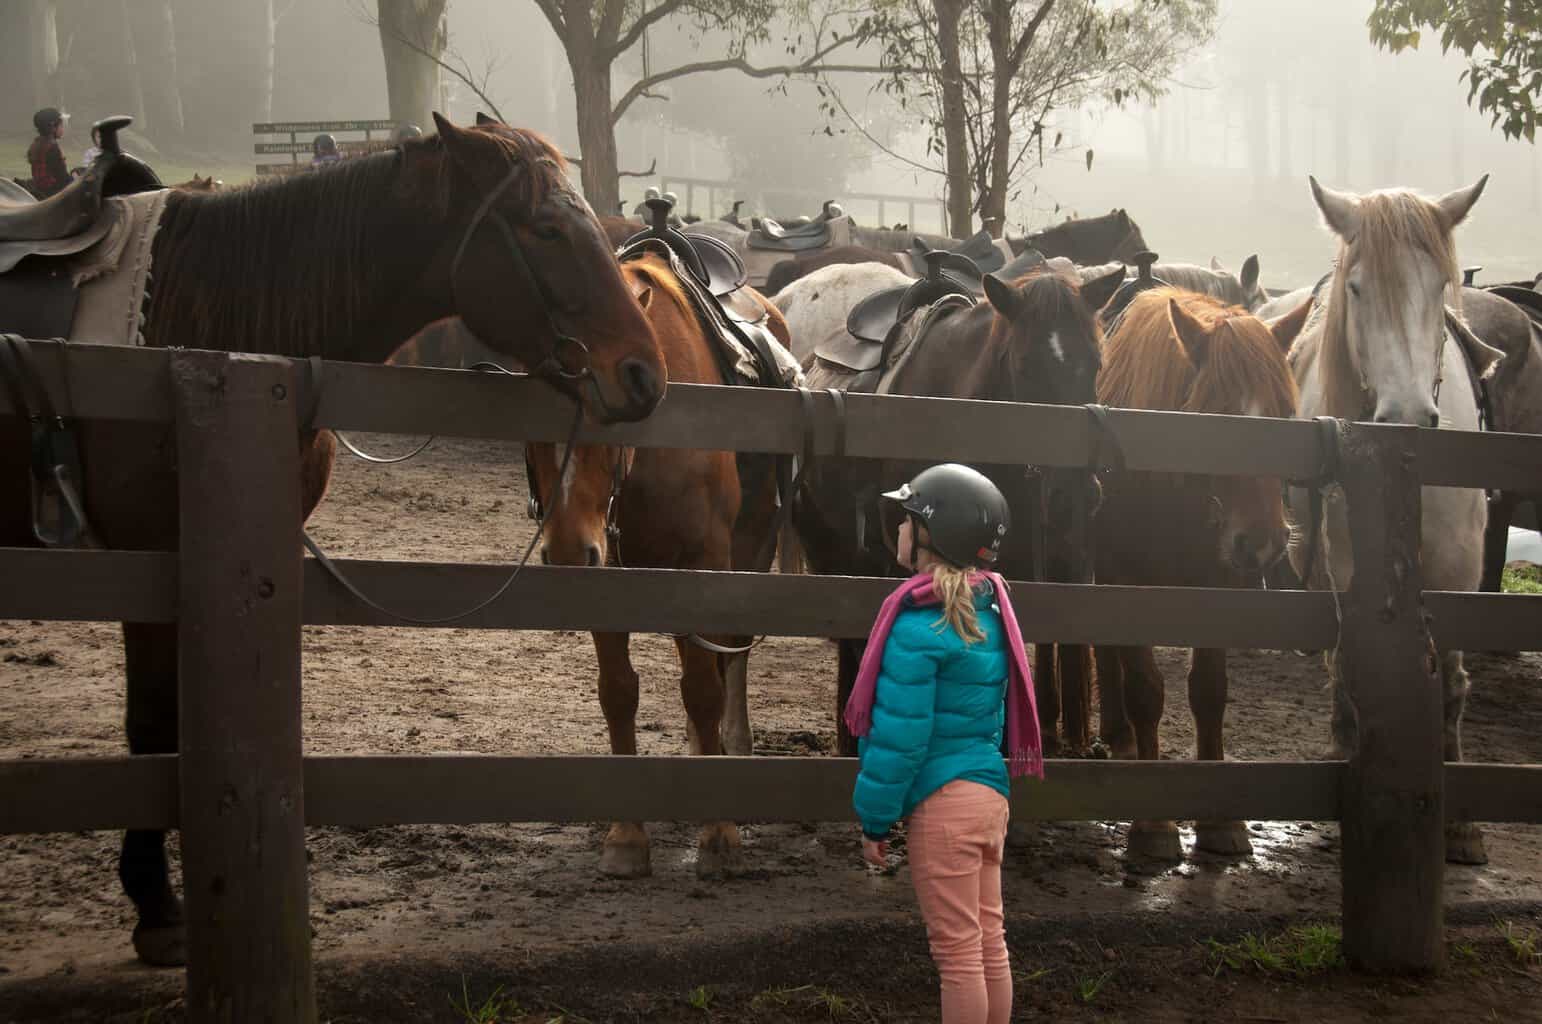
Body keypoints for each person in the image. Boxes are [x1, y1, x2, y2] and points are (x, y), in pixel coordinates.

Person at [846, 463, 1043, 1024]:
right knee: (988, 942)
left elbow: (899, 742)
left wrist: (875, 823)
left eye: (907, 519)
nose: (899, 529)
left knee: (957, 957)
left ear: (931, 536)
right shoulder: (990, 612)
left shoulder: (916, 627)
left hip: (943, 805)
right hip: (988, 796)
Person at [27, 107, 71, 198]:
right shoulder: (52, 147)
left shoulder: (38, 143)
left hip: (41, 188)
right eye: (61, 126)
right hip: (53, 192)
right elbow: (62, 177)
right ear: (53, 127)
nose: (63, 129)